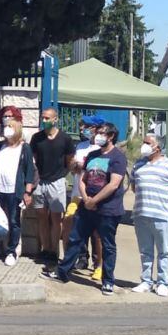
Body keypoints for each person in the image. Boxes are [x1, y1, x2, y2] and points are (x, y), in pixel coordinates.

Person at [45, 122, 127, 295]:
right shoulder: (92, 155)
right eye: (97, 133)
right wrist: (86, 198)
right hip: (86, 206)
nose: (97, 136)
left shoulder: (117, 157)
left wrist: (95, 200)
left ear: (111, 136)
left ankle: (108, 281)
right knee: (75, 239)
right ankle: (63, 272)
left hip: (108, 210)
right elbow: (82, 178)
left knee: (107, 245)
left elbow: (113, 184)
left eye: (102, 133)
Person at [130, 133, 168, 296]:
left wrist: (164, 200)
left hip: (160, 215)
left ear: (157, 147)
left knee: (163, 251)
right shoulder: (138, 165)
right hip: (141, 213)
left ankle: (162, 283)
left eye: (147, 143)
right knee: (145, 251)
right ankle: (146, 281)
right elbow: (134, 186)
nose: (143, 145)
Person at [29, 107, 75, 262]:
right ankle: (45, 249)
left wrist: (62, 176)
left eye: (47, 118)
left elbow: (69, 161)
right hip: (41, 181)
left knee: (56, 218)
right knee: (41, 216)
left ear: (55, 119)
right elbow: (34, 159)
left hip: (57, 181)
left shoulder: (65, 139)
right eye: (43, 118)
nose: (44, 121)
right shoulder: (37, 138)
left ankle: (54, 252)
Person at [0, 119, 36, 266]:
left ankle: (11, 251)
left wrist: (27, 192)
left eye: (10, 126)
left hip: (14, 190)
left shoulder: (24, 148)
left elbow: (29, 171)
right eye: (6, 126)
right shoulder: (0, 146)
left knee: (14, 221)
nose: (7, 129)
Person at [69, 115, 106, 275]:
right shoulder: (81, 146)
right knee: (76, 227)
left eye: (87, 126)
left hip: (95, 196)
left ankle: (98, 263)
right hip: (78, 194)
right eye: (82, 126)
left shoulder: (101, 148)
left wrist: (83, 167)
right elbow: (74, 168)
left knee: (97, 233)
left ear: (96, 129)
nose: (83, 129)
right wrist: (76, 166)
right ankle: (81, 258)